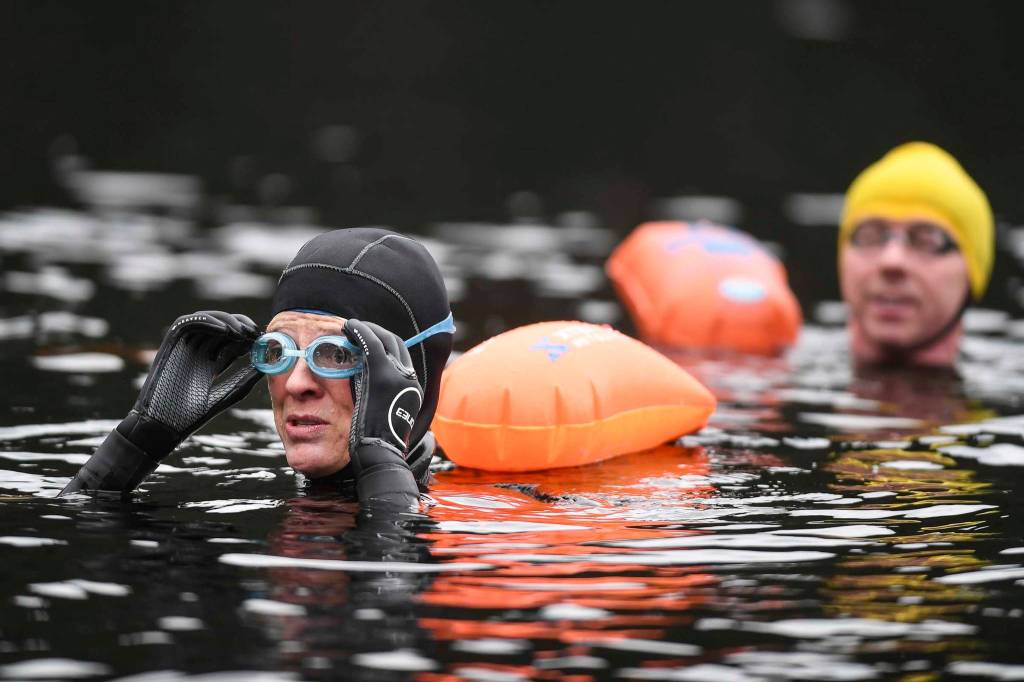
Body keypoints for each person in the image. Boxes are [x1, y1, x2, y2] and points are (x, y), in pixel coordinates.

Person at [60, 227, 454, 507]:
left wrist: (383, 463)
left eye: (336, 354)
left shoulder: (491, 524)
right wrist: (135, 449)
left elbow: (389, 603)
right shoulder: (239, 488)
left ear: (410, 373)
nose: (297, 384)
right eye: (278, 351)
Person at [838, 141, 994, 366]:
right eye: (869, 237)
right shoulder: (775, 364)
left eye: (927, 241)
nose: (891, 260)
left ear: (974, 273)